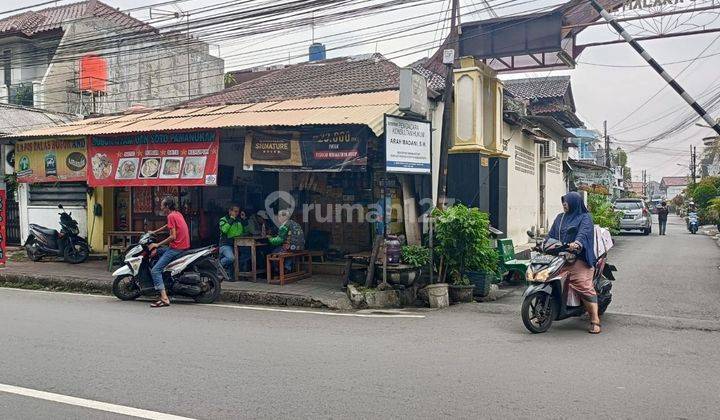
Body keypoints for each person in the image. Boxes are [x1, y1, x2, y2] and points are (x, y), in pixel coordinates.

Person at [547, 192, 601, 334]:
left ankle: (595, 320)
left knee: (581, 283)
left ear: (575, 202)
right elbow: (551, 235)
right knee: (546, 276)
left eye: (567, 201)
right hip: (560, 257)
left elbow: (584, 233)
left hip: (580, 257)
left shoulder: (585, 217)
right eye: (563, 201)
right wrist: (543, 243)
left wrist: (577, 243)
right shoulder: (560, 217)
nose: (564, 204)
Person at [148, 196, 190, 308]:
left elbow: (172, 236)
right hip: (183, 246)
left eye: (162, 205)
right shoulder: (177, 214)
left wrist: (157, 244)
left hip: (176, 248)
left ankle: (164, 298)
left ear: (167, 206)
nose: (161, 207)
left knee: (155, 270)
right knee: (158, 252)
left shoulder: (171, 216)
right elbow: (169, 226)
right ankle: (164, 285)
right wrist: (155, 231)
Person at [218, 204, 248, 281]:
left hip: (237, 244)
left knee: (248, 254)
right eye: (235, 211)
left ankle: (237, 273)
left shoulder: (238, 220)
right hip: (225, 244)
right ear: (230, 211)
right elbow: (224, 230)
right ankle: (218, 265)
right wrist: (231, 219)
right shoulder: (223, 219)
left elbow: (246, 231)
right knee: (231, 258)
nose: (236, 213)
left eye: (238, 211)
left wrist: (244, 219)